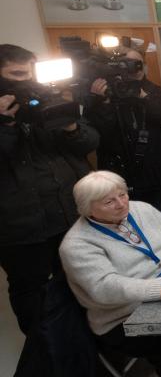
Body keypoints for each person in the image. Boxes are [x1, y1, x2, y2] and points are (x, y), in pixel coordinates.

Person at [59, 171, 161, 376]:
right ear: (87, 208)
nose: (121, 204)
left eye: (122, 194)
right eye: (109, 202)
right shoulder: (77, 244)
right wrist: (159, 289)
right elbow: (104, 287)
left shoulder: (140, 209)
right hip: (124, 316)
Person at [0, 44, 99, 375]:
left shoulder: (42, 103)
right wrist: (5, 123)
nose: (26, 79)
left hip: (69, 216)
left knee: (79, 284)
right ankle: (50, 357)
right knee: (36, 298)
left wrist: (68, 123)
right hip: (21, 229)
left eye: (30, 71)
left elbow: (89, 143)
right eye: (16, 74)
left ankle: (83, 350)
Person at [84, 47, 161, 212]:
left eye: (139, 64)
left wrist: (145, 99)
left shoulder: (153, 90)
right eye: (128, 64)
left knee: (156, 216)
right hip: (119, 170)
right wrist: (102, 103)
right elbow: (97, 133)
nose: (136, 68)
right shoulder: (104, 95)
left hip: (153, 168)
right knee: (123, 219)